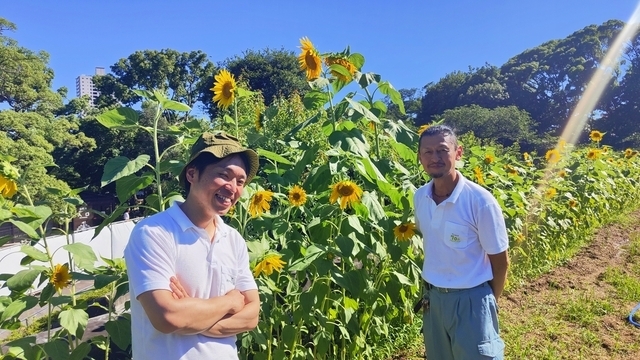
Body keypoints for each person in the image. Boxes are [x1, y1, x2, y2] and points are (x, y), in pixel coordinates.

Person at [124, 132, 261, 360]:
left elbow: (251, 316)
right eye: (223, 175)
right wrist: (229, 302)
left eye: (240, 181)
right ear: (192, 174)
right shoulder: (154, 233)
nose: (232, 187)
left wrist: (190, 315)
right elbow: (167, 317)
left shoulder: (233, 238)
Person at [414, 125, 509, 360]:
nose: (434, 158)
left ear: (458, 153)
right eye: (427, 152)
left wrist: (486, 303)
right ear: (419, 156)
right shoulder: (420, 198)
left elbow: (501, 262)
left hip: (471, 300)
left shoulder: (480, 201)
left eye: (442, 150)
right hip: (433, 300)